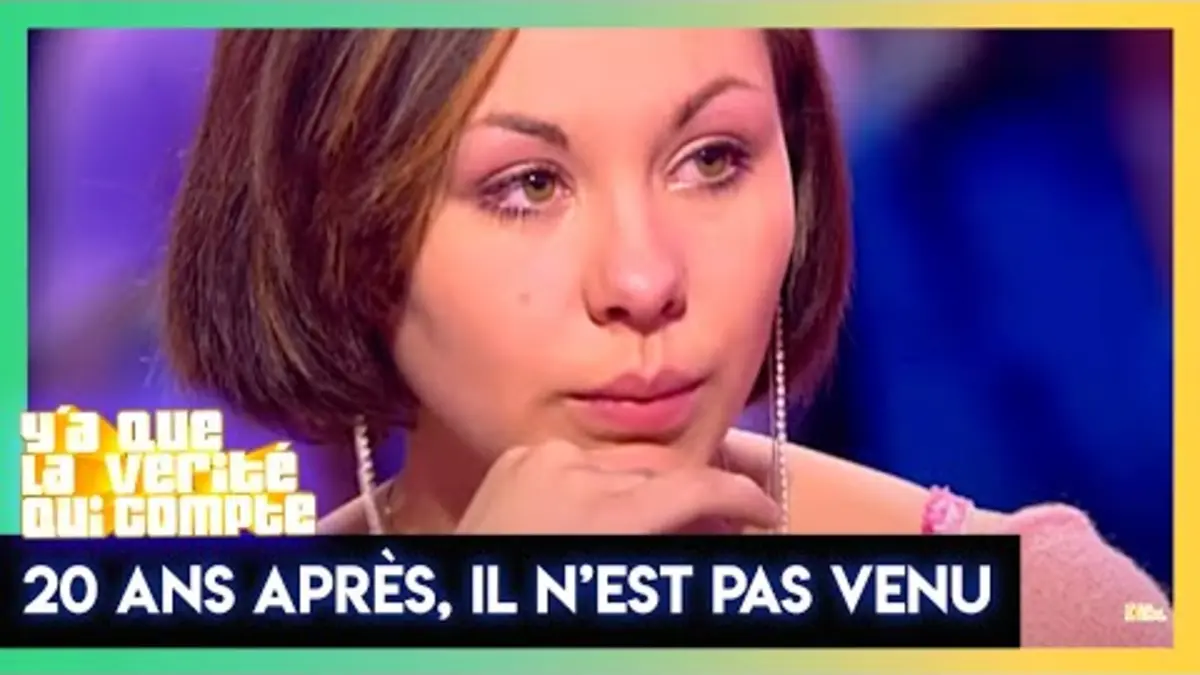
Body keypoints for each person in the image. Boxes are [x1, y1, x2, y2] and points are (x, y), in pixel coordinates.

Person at [162, 28, 1172, 646]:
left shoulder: (1042, 620)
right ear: (336, 225)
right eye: (528, 185)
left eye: (712, 159)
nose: (644, 281)